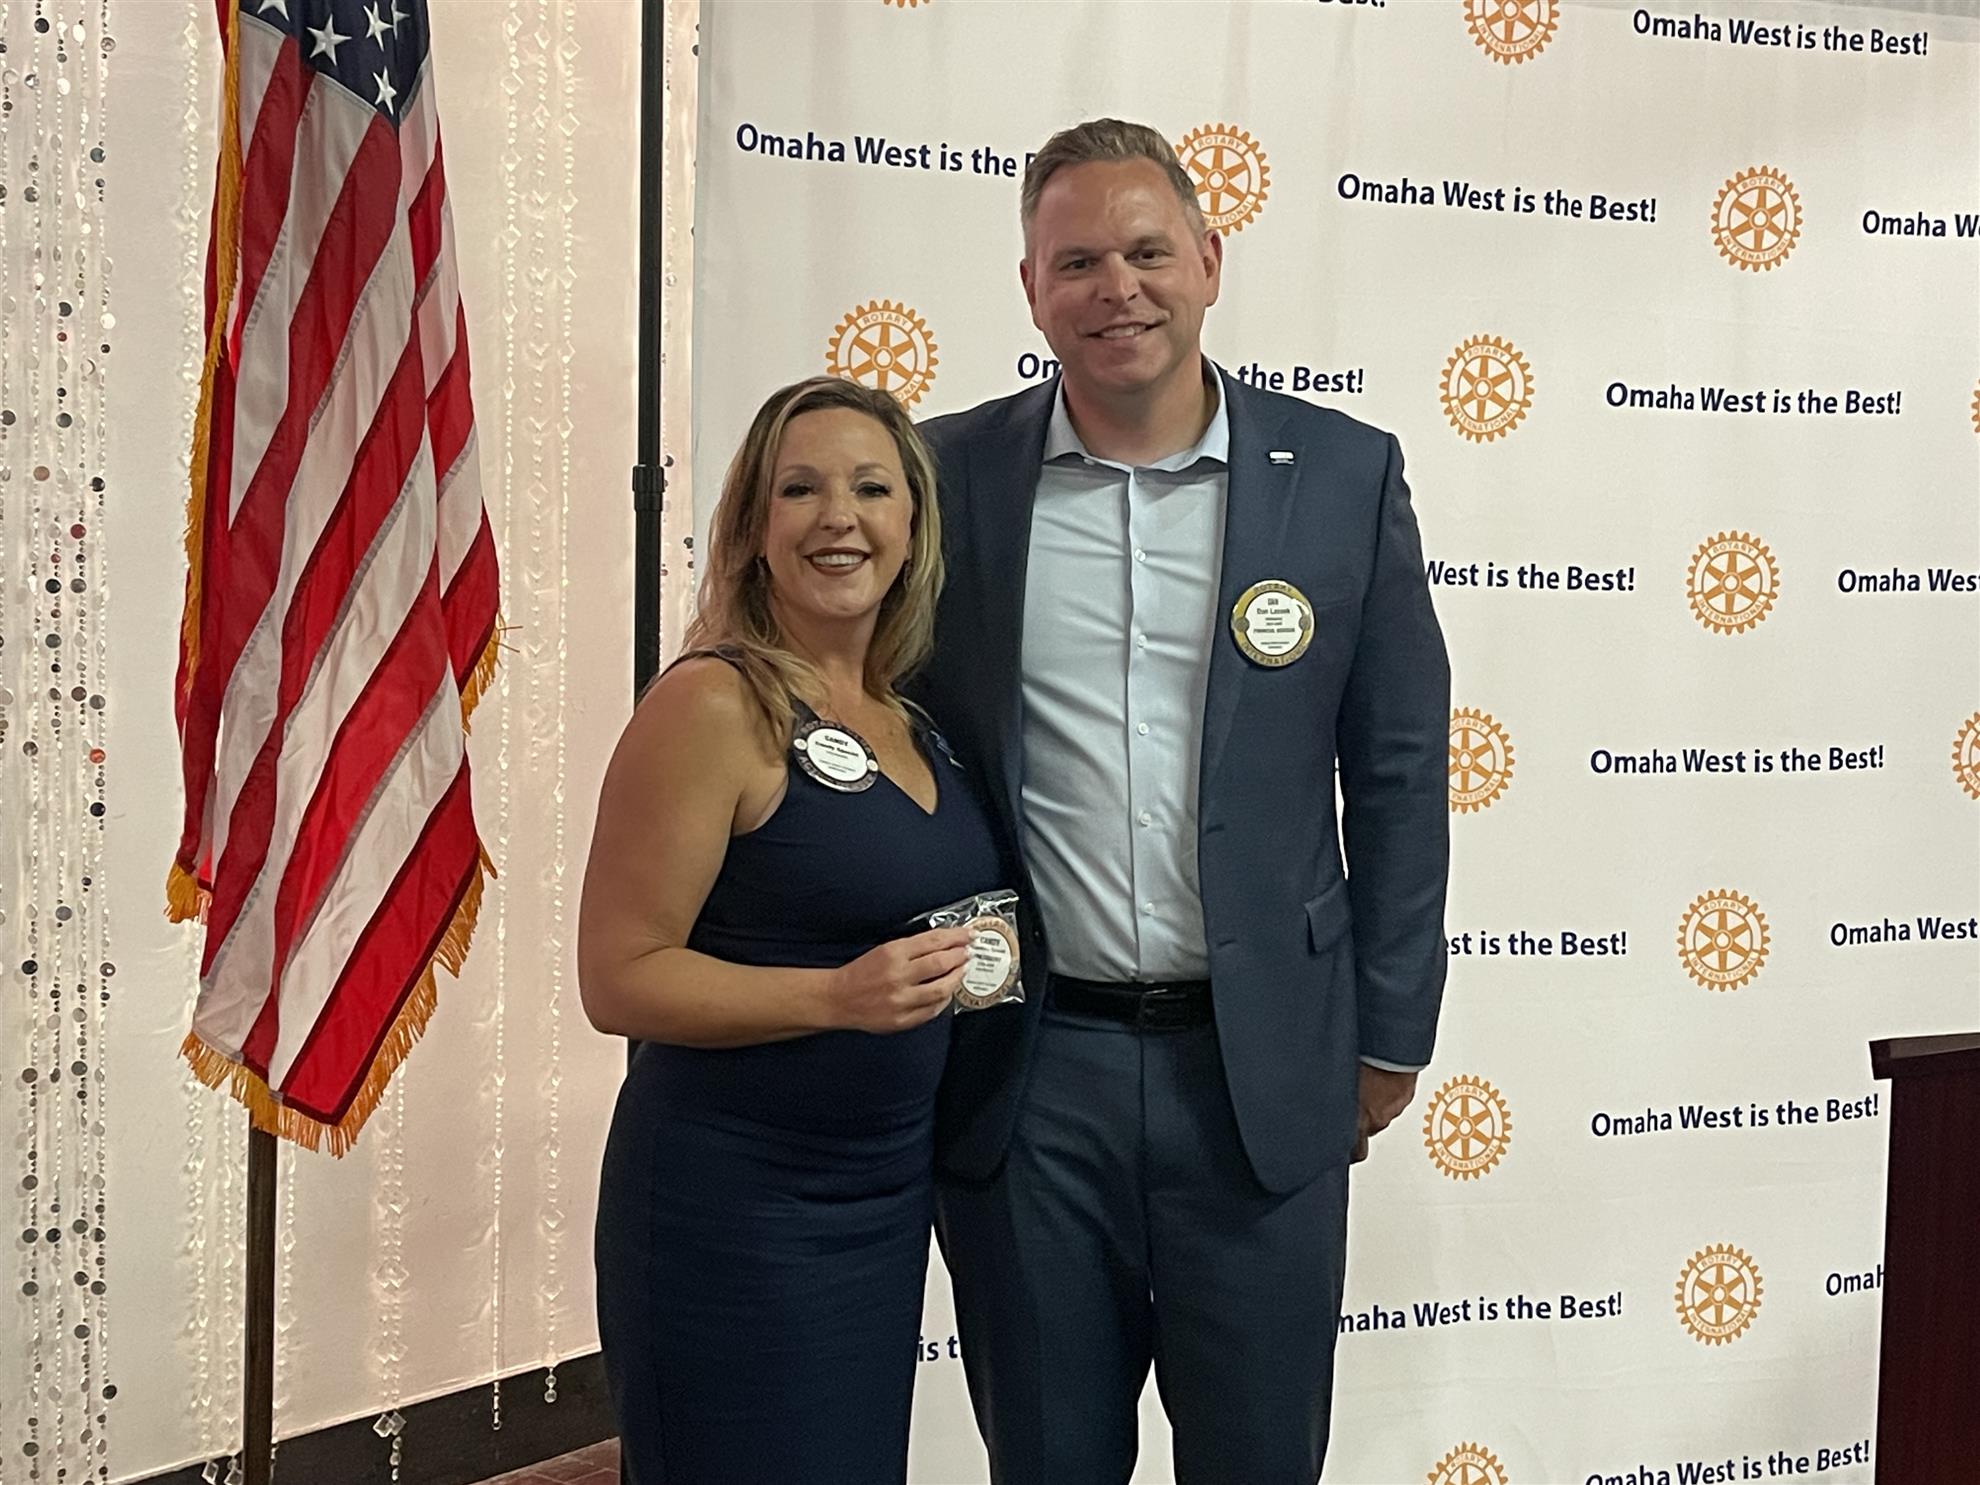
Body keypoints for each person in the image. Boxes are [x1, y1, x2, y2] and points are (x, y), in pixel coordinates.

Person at [911, 119, 1452, 1483]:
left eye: (1148, 253)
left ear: (1210, 262)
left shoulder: (1344, 475)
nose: (1119, 289)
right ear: (1030, 288)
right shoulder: (939, 479)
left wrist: (1390, 1037)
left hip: (1263, 1077)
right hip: (1031, 1079)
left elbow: (1398, 770)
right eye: (1077, 262)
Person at [578, 376, 1004, 1484]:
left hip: (883, 1205)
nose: (838, 518)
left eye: (871, 488)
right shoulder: (712, 704)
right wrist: (834, 997)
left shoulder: (911, 717)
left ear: (913, 524)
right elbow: (619, 977)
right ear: (754, 529)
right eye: (800, 489)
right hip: (733, 1212)